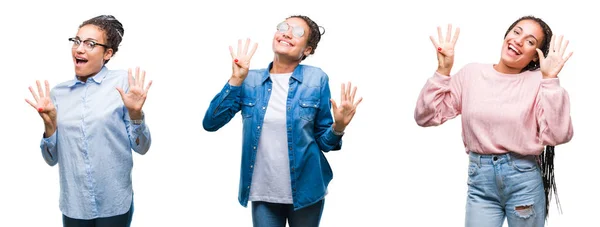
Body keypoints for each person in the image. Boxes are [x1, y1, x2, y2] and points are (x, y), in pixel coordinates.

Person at [203, 15, 362, 227]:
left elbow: (324, 142)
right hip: (263, 191)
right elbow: (211, 123)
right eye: (283, 27)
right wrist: (235, 80)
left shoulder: (316, 79)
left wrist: (338, 127)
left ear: (307, 50)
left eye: (297, 32)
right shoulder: (249, 80)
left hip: (307, 190)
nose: (287, 33)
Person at [414, 15, 573, 227]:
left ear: (536, 56)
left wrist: (551, 80)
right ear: (506, 35)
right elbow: (425, 116)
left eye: (530, 41)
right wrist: (443, 71)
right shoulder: (471, 74)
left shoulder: (540, 82)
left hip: (523, 180)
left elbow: (558, 135)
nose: (518, 40)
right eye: (516, 32)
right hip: (481, 182)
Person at [25, 15, 153, 227]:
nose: (79, 49)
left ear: (108, 53)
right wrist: (49, 126)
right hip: (75, 205)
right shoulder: (57, 94)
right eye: (76, 41)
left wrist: (136, 114)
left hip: (115, 202)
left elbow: (142, 148)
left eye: (90, 44)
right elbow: (51, 159)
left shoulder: (123, 84)